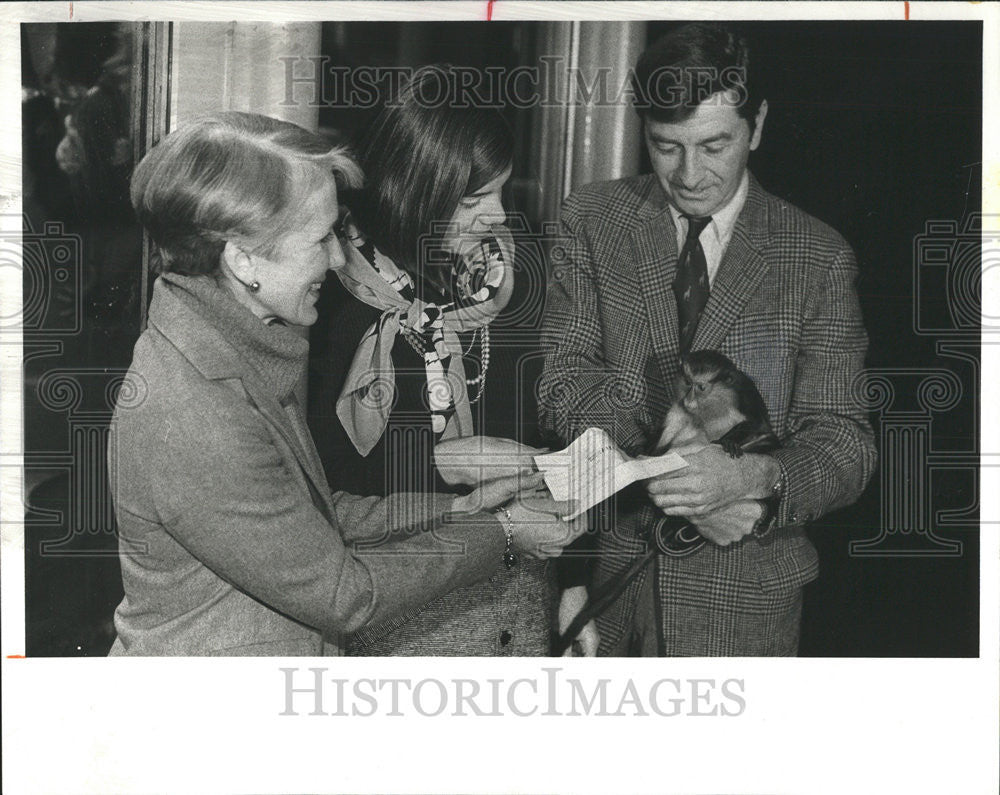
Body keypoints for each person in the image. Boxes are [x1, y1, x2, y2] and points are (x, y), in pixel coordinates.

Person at [109, 111, 576, 656]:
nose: (337, 258)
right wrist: (505, 532)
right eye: (320, 238)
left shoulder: (236, 352)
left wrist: (459, 509)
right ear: (244, 261)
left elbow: (319, 515)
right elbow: (343, 595)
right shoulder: (195, 409)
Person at [539, 23, 877, 656]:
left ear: (758, 125)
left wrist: (758, 478)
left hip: (745, 610)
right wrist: (675, 469)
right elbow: (563, 381)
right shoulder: (593, 219)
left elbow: (845, 440)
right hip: (610, 590)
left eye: (714, 146)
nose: (690, 175)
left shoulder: (817, 256)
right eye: (666, 147)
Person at [307, 66, 561, 656]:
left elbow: (552, 437)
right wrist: (453, 465)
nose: (498, 216)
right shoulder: (328, 297)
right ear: (411, 190)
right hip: (393, 616)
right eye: (473, 198)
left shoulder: (516, 280)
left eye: (501, 190)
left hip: (513, 608)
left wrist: (572, 585)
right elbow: (322, 489)